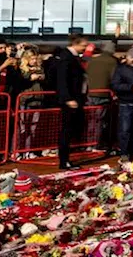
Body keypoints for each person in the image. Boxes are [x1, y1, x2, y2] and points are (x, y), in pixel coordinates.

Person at [54, 35, 88, 170]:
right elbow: (62, 79)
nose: (85, 48)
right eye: (84, 45)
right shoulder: (66, 57)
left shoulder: (72, 57)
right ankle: (64, 161)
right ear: (76, 44)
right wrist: (68, 98)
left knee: (70, 130)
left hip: (75, 98)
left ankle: (66, 159)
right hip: (70, 100)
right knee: (66, 131)